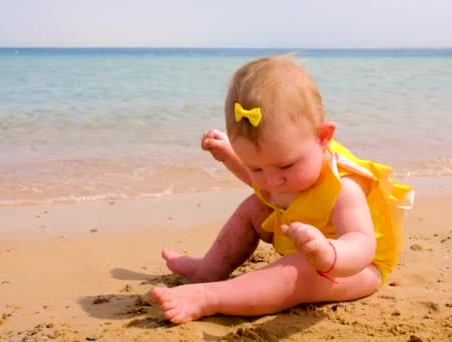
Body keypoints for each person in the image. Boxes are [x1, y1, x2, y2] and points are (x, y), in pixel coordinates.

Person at [151, 55, 414, 324]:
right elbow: (264, 188)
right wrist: (231, 156)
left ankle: (210, 296)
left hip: (355, 268)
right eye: (256, 168)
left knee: (300, 271)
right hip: (300, 235)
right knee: (254, 205)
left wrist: (329, 253)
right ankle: (209, 268)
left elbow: (362, 243)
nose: (272, 181)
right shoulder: (280, 169)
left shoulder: (344, 187)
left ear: (322, 138)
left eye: (286, 167)